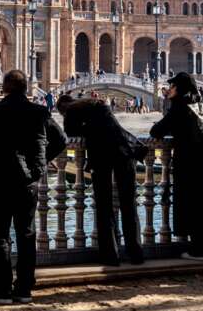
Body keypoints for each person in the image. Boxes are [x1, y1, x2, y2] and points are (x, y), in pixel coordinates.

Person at [0, 69, 66, 304]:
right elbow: (61, 140)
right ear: (26, 88)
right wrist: (40, 164)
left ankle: (2, 288)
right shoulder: (40, 112)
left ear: (4, 88)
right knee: (26, 235)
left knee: (0, 237)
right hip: (28, 182)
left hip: (1, 181)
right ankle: (24, 288)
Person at [58, 95, 147, 266]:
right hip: (124, 151)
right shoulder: (99, 104)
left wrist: (87, 129)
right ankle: (136, 254)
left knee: (104, 206)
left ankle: (110, 255)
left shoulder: (71, 112)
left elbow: (69, 132)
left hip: (101, 156)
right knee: (128, 204)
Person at [149, 72, 203, 261]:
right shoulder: (200, 104)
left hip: (191, 160)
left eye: (172, 87)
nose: (169, 90)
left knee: (194, 203)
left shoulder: (179, 107)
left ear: (179, 89)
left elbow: (157, 130)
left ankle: (198, 251)